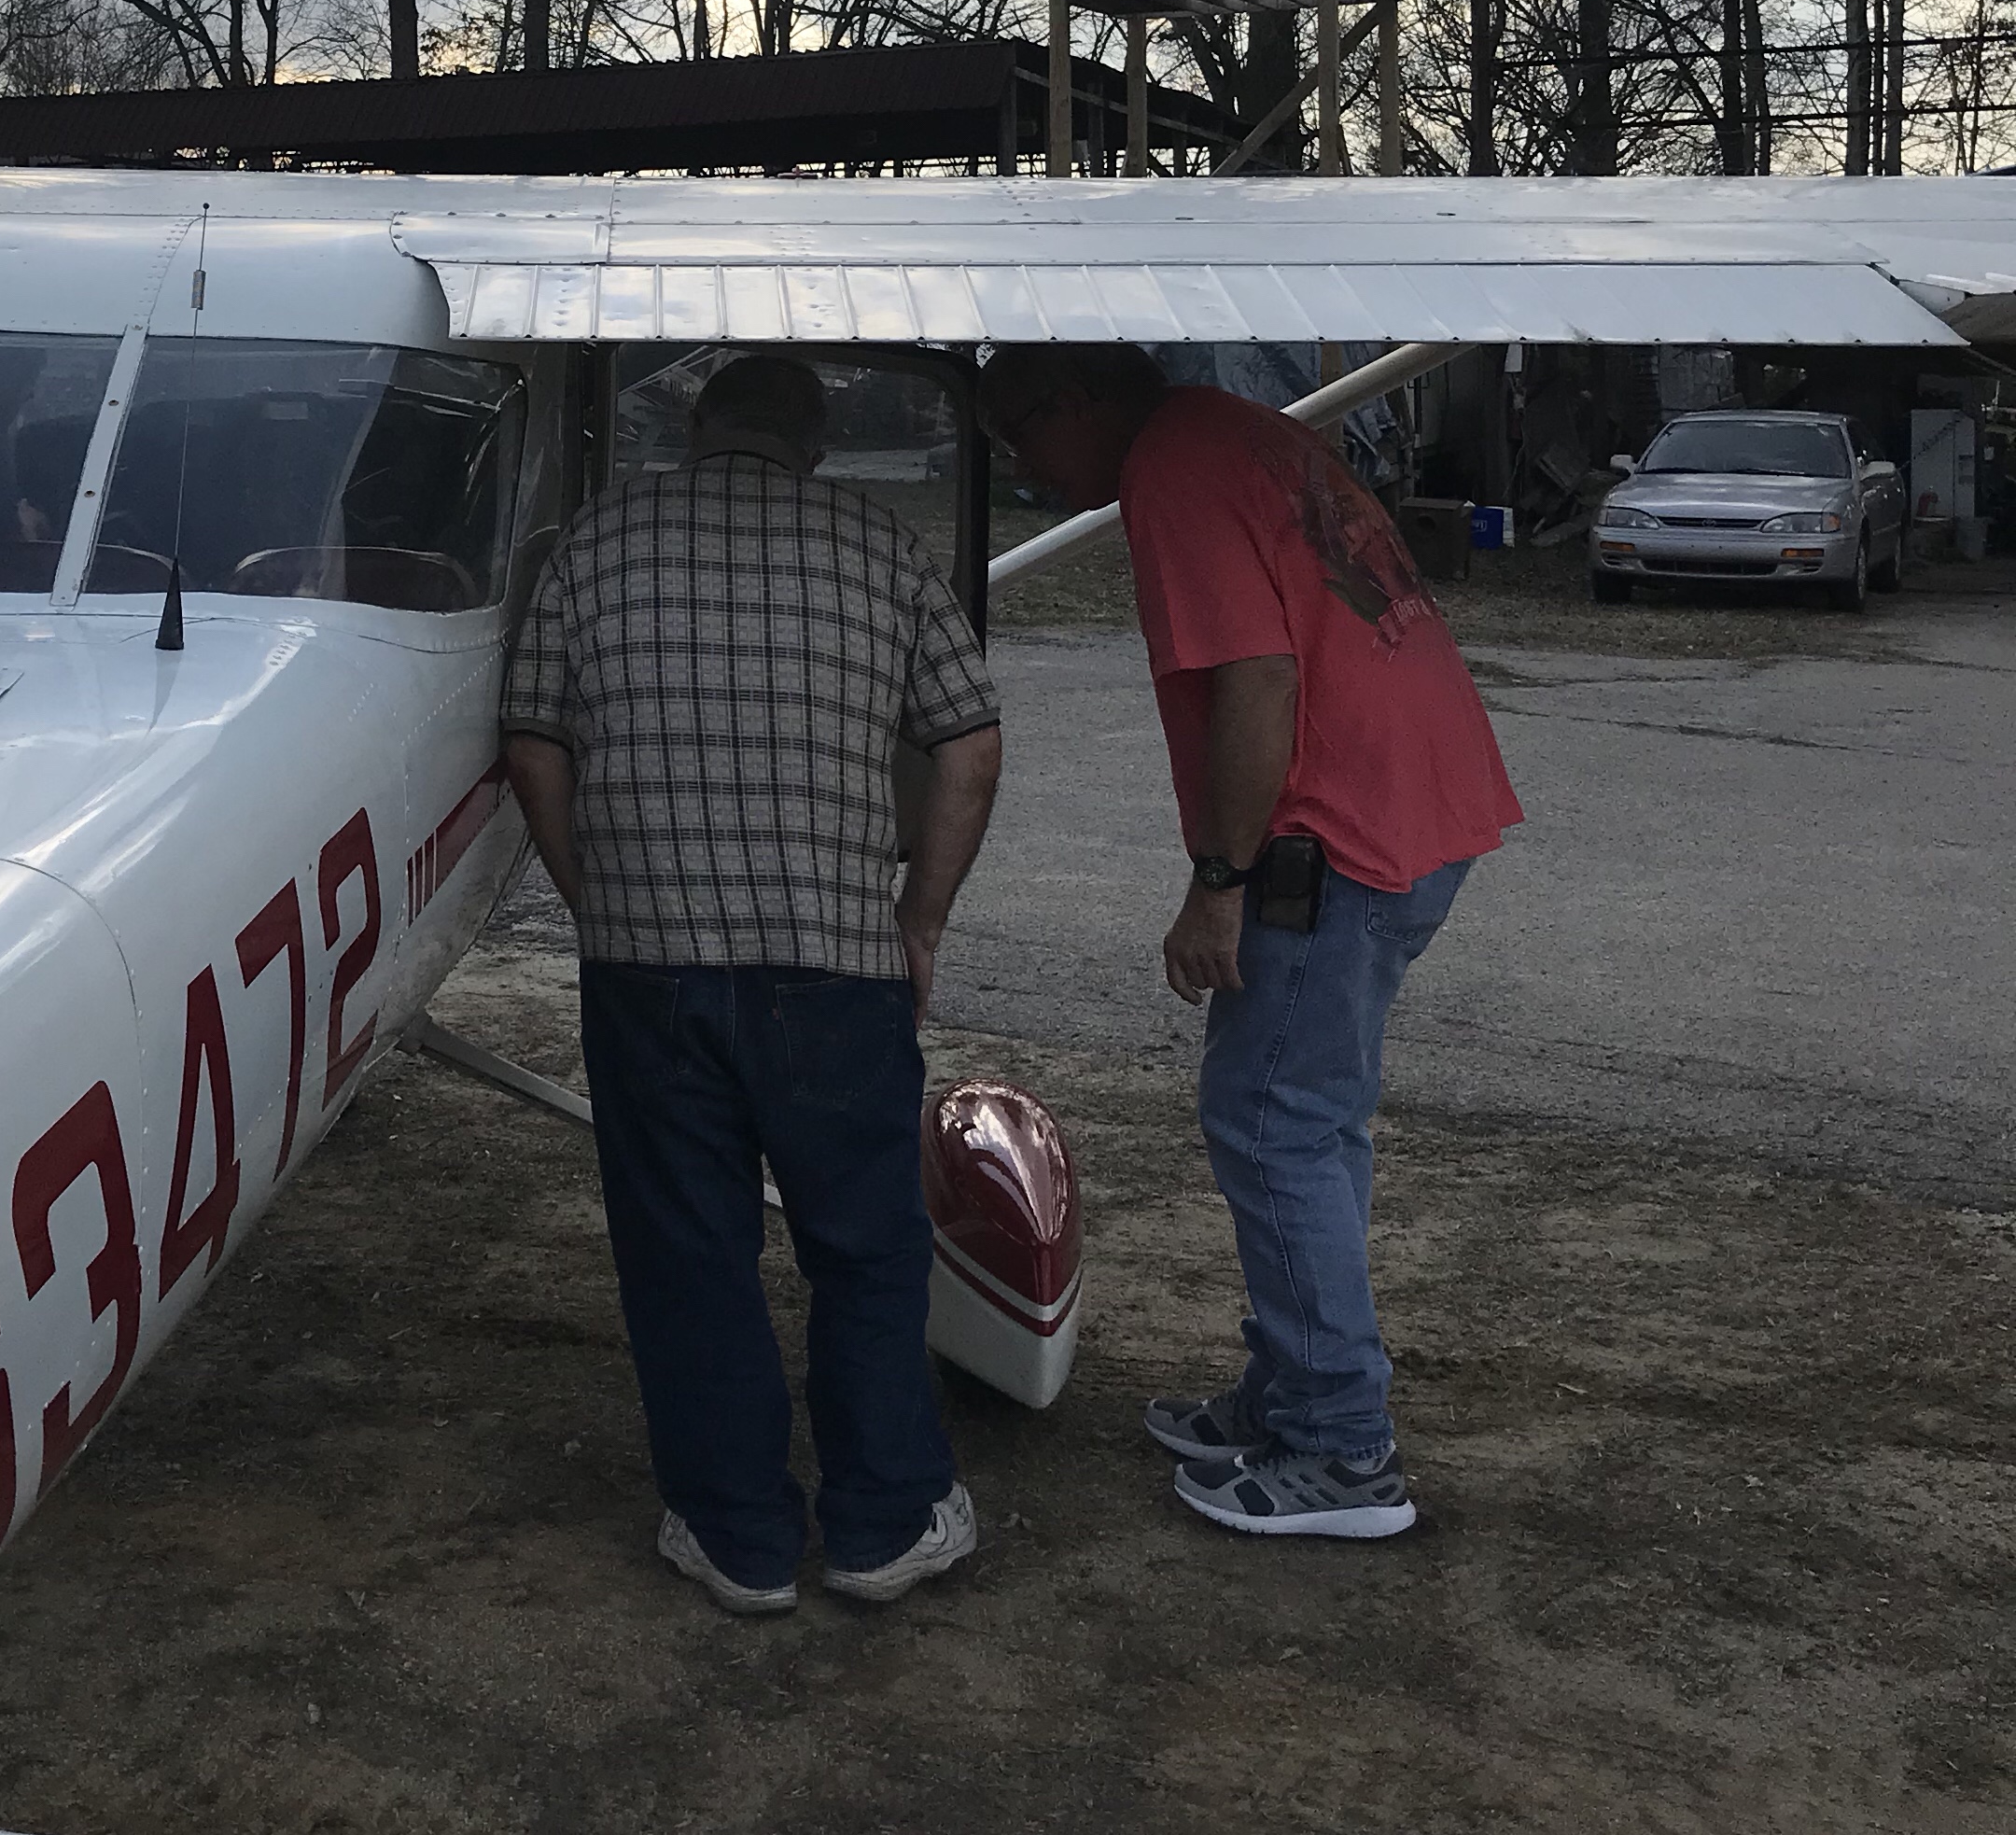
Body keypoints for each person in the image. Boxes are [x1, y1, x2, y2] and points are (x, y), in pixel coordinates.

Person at [980, 344, 1519, 1542]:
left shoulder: (1174, 470)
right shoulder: (1233, 432)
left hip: (1334, 833)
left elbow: (1260, 682)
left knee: (1272, 1125)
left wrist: (1218, 882)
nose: (1020, 468)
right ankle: (1292, 1393)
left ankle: (1339, 1447)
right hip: (1417, 806)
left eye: (1019, 435)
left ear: (1076, 401)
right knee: (1313, 1124)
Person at [501, 353, 1003, 1617]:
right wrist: (921, 919)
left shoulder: (600, 540)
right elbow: (969, 742)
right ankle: (887, 1521)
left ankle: (737, 1536)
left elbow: (533, 739)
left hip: (647, 963)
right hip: (836, 963)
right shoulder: (880, 546)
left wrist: (593, 895)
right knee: (866, 1247)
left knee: (688, 1250)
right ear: (812, 445)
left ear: (697, 429)